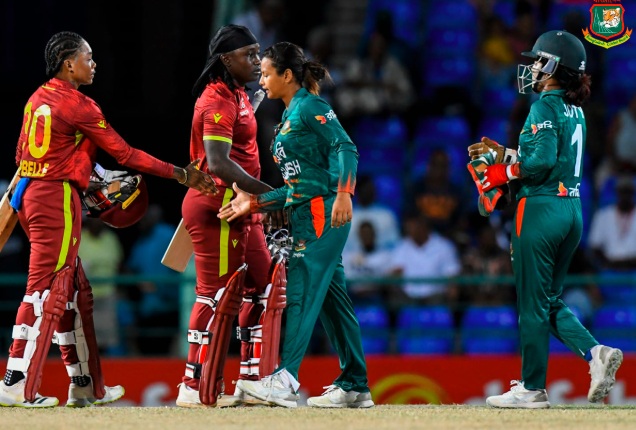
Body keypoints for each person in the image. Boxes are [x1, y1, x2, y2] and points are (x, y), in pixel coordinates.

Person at [0, 31, 216, 409]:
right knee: (46, 289)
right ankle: (15, 382)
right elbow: (127, 154)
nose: (94, 63)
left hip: (30, 197)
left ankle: (85, 385)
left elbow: (22, 159)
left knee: (75, 290)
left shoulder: (36, 99)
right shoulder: (79, 105)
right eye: (88, 57)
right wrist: (181, 175)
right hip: (55, 200)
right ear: (69, 63)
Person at [469, 30, 623, 408]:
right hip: (571, 209)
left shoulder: (542, 107)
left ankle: (531, 387)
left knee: (531, 306)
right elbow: (548, 156)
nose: (533, 67)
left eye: (539, 61)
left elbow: (540, 162)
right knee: (548, 299)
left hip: (539, 211)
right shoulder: (575, 109)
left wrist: (500, 173)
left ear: (556, 66)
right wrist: (506, 153)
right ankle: (595, 353)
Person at [219, 42, 373, 409]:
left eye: (267, 73)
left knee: (301, 289)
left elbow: (346, 147)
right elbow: (294, 187)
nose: (262, 79)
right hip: (306, 213)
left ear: (287, 75)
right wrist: (254, 202)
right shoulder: (290, 115)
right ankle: (355, 385)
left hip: (324, 214)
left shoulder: (311, 106)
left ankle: (284, 380)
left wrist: (344, 192)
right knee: (335, 304)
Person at [177, 24, 280, 408]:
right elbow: (218, 163)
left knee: (263, 286)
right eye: (249, 55)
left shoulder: (236, 95)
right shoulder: (216, 99)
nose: (256, 61)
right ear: (226, 59)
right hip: (218, 207)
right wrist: (269, 193)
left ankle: (251, 380)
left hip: (241, 206)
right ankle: (193, 382)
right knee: (215, 294)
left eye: (258, 54)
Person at [389, 214, 460, 303]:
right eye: (409, 228)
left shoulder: (444, 246)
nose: (410, 230)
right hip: (409, 296)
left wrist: (452, 290)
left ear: (423, 227)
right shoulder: (401, 247)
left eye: (414, 227)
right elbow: (396, 271)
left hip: (436, 295)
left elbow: (451, 273)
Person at [345, 175, 399, 253]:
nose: (367, 192)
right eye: (364, 189)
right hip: (353, 261)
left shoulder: (386, 215)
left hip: (383, 260)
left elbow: (395, 244)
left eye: (370, 189)